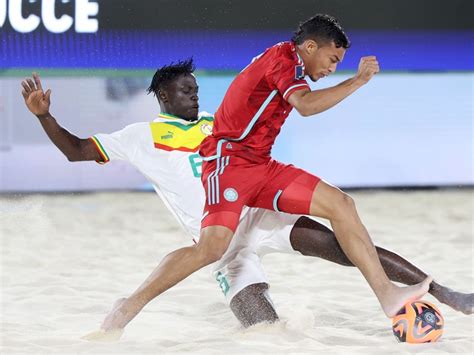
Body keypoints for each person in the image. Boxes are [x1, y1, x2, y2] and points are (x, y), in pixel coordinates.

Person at [21, 63, 472, 338]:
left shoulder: (220, 123)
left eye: (197, 89)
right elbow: (76, 151)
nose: (195, 95)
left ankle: (447, 294)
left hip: (258, 214)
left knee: (348, 247)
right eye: (185, 90)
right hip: (219, 243)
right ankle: (128, 309)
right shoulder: (138, 137)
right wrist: (46, 117)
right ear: (162, 96)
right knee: (264, 330)